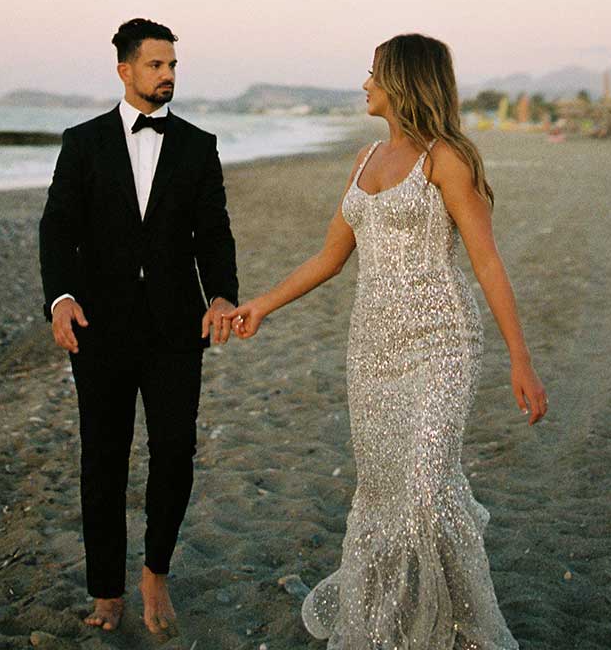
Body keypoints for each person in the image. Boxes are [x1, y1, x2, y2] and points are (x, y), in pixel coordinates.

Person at [224, 33, 546, 648]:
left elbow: (488, 264)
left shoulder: (447, 158)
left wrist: (521, 360)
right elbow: (329, 257)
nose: (364, 83)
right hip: (371, 350)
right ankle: (394, 627)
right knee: (383, 489)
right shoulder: (365, 159)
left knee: (426, 482)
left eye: (374, 73)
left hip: (440, 341)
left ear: (402, 82)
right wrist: (261, 304)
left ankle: (456, 628)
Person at [38, 18, 238, 634]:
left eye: (173, 65)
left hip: (178, 329)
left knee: (175, 453)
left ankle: (155, 573)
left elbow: (214, 232)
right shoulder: (83, 142)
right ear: (125, 70)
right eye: (156, 65)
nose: (168, 75)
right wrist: (61, 298)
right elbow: (57, 229)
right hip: (100, 329)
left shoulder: (198, 146)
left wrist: (223, 296)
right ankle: (106, 590)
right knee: (103, 457)